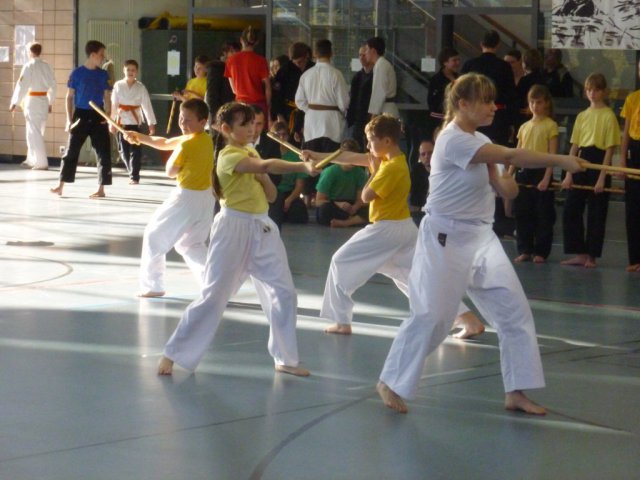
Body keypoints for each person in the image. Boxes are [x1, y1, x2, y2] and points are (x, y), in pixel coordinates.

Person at [375, 73, 583, 414]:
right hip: (445, 237)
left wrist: (497, 178)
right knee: (434, 317)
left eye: (492, 101)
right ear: (462, 104)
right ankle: (389, 381)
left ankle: (516, 391)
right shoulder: (451, 140)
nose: (493, 107)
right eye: (485, 101)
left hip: (482, 237)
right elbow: (513, 155)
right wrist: (560, 161)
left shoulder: (481, 141)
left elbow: (509, 190)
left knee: (515, 313)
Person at [156, 102, 319, 377]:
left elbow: (271, 195)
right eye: (244, 124)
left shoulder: (251, 152)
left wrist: (262, 177)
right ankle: (173, 353)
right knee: (214, 297)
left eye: (253, 123)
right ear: (226, 129)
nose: (252, 129)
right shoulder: (228, 156)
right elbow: (267, 164)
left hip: (262, 228)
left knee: (284, 293)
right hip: (233, 229)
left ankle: (285, 358)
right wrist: (301, 166)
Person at [306, 115, 483, 338]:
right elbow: (347, 156)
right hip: (404, 229)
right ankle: (468, 320)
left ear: (387, 141)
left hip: (386, 230)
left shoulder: (391, 168)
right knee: (416, 278)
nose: (368, 146)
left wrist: (373, 171)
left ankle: (341, 321)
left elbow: (366, 196)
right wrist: (316, 156)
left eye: (371, 141)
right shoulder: (390, 159)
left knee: (340, 262)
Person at [121, 99, 215, 297]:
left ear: (203, 121)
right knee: (191, 244)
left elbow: (170, 172)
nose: (182, 123)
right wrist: (139, 137)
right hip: (206, 198)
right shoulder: (205, 139)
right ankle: (214, 285)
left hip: (185, 199)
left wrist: (180, 160)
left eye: (188, 120)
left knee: (154, 236)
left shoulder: (186, 144)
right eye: (181, 118)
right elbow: (164, 143)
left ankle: (153, 285)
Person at [561, 73, 620, 269]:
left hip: (599, 161)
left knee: (597, 213)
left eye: (596, 90)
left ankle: (592, 256)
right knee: (571, 209)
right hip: (581, 160)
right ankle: (579, 253)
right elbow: (575, 146)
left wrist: (602, 177)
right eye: (589, 90)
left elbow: (609, 149)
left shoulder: (609, 116)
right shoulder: (582, 115)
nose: (592, 94)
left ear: (604, 92)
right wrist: (568, 174)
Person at [50, 40, 112, 198]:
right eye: (101, 55)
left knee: (103, 152)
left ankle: (101, 189)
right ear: (92, 55)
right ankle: (60, 185)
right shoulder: (77, 73)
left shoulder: (103, 74)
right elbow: (69, 97)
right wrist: (69, 119)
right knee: (71, 150)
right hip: (80, 115)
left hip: (98, 115)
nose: (103, 58)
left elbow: (107, 96)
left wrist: (108, 115)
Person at [295, 38, 349, 206]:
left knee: (311, 158)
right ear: (331, 53)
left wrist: (311, 110)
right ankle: (326, 197)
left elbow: (299, 101)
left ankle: (308, 197)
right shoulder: (336, 74)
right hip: (331, 121)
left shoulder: (306, 75)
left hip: (312, 122)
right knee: (330, 159)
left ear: (315, 54)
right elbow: (344, 103)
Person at [510, 85, 558, 264]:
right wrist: (509, 174)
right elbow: (516, 152)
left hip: (542, 171)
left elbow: (552, 155)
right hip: (524, 171)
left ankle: (541, 251)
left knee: (543, 214)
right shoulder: (524, 126)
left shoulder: (551, 125)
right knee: (523, 213)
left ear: (546, 103)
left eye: (539, 102)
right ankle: (525, 249)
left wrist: (547, 177)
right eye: (532, 102)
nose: (535, 106)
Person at [9, 42, 56, 170]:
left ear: (30, 52)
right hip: (44, 100)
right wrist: (50, 102)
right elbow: (53, 85)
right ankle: (31, 159)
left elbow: (22, 85)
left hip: (33, 101)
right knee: (36, 131)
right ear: (40, 52)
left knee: (34, 132)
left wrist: (14, 102)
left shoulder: (29, 65)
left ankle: (41, 162)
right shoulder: (47, 66)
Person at [110, 59, 157, 185]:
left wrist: (151, 123)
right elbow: (114, 105)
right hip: (121, 122)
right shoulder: (118, 85)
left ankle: (134, 176)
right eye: (128, 70)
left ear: (137, 72)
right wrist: (112, 123)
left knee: (135, 151)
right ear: (124, 70)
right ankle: (131, 171)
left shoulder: (140, 87)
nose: (130, 72)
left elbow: (146, 106)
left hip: (135, 122)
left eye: (133, 70)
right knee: (123, 151)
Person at [315, 138, 368, 228]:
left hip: (351, 204)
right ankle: (353, 220)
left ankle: (345, 222)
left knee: (370, 208)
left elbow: (360, 199)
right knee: (324, 210)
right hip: (333, 203)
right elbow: (318, 201)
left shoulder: (360, 173)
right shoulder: (330, 172)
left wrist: (355, 207)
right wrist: (338, 204)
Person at [268, 121, 309, 229]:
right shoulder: (267, 154)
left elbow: (300, 185)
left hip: (288, 193)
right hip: (271, 192)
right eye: (277, 135)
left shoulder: (296, 156)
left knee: (300, 213)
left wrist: (289, 200)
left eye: (284, 134)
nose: (281, 138)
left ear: (288, 136)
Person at [620, 59, 640, 272]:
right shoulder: (633, 98)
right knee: (633, 208)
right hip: (635, 151)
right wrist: (622, 160)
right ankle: (635, 258)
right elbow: (626, 133)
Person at [224, 26, 271, 116]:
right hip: (259, 105)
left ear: (241, 40)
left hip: (240, 105)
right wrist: (268, 107)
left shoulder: (231, 60)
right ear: (256, 42)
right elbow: (267, 87)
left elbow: (234, 89)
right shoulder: (261, 61)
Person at [271, 42, 314, 137]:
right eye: (295, 62)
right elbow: (277, 95)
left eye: (300, 62)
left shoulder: (313, 68)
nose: (298, 65)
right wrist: (279, 115)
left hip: (309, 111)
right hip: (288, 111)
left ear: (306, 56)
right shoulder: (285, 70)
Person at [426, 47, 460, 142]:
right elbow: (432, 103)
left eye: (458, 60)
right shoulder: (436, 80)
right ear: (445, 62)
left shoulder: (459, 78)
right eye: (454, 60)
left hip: (456, 119)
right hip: (440, 120)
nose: (458, 63)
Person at [205, 41, 239, 127]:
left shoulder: (235, 67)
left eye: (237, 51)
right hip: (219, 116)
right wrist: (215, 119)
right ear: (225, 53)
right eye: (232, 51)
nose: (235, 54)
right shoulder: (216, 68)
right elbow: (211, 95)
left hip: (232, 113)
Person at [346, 45, 374, 151]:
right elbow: (353, 98)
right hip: (357, 119)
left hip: (370, 116)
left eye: (364, 55)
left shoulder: (376, 75)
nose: (361, 58)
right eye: (360, 55)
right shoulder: (357, 77)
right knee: (356, 148)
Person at [365, 37, 399, 119]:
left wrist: (374, 115)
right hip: (386, 109)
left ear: (373, 51)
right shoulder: (381, 64)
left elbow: (379, 91)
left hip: (385, 111)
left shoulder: (381, 65)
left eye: (367, 49)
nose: (365, 53)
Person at [409, 139, 434, 221]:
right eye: (423, 154)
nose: (427, 156)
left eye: (430, 153)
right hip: (420, 213)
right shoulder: (416, 170)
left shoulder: (443, 171)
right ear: (419, 157)